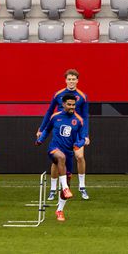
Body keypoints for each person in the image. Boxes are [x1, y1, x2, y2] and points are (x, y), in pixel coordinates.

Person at [38, 69, 90, 200]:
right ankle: (53, 189)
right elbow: (49, 112)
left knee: (79, 156)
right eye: (69, 79)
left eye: (74, 79)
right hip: (60, 129)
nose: (71, 81)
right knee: (57, 160)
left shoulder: (82, 96)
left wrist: (86, 135)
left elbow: (85, 116)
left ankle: (82, 187)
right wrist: (41, 128)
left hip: (76, 130)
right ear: (65, 80)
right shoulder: (58, 94)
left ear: (77, 80)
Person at [36, 92, 86, 222]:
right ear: (63, 104)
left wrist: (77, 144)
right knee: (61, 157)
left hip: (68, 153)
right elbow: (47, 129)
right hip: (54, 150)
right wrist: (41, 139)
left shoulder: (79, 120)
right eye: (69, 105)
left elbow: (83, 139)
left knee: (67, 175)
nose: (72, 107)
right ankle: (64, 187)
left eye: (73, 105)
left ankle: (60, 210)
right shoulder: (55, 117)